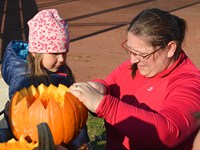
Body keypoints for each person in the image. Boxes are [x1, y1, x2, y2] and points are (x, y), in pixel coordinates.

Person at [69, 8, 200, 149]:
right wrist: (100, 87)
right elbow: (110, 85)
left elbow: (168, 132)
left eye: (141, 54)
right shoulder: (137, 66)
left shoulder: (190, 83)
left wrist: (105, 105)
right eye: (130, 51)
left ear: (170, 49)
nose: (132, 61)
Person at [1, 9, 90, 150]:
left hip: (63, 136)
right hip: (31, 141)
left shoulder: (60, 71)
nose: (61, 59)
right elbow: (19, 117)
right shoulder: (23, 79)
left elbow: (73, 117)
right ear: (36, 52)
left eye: (64, 52)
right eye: (55, 53)